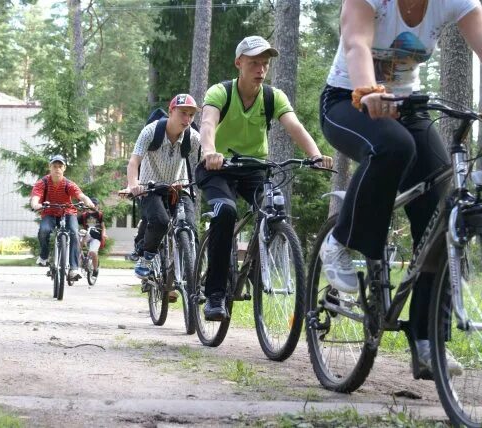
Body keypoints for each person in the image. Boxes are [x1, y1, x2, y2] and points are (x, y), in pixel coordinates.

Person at [318, 0, 482, 376]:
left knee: (436, 205)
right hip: (348, 100)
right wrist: (367, 89)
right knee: (394, 146)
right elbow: (357, 41)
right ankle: (340, 239)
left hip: (409, 106)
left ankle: (427, 342)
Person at [198, 35, 333, 321]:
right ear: (239, 64)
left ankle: (258, 270)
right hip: (217, 168)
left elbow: (294, 126)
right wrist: (209, 151)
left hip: (253, 168)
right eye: (254, 63)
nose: (261, 69)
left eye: (265, 64)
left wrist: (316, 154)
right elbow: (208, 123)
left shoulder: (273, 97)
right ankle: (215, 295)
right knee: (226, 212)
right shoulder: (220, 92)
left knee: (274, 206)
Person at [125, 94, 201, 296]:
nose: (187, 119)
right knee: (160, 220)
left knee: (191, 228)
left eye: (191, 115)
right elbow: (134, 162)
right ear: (171, 112)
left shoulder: (192, 137)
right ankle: (146, 257)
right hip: (150, 188)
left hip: (179, 187)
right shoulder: (151, 131)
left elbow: (205, 157)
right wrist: (134, 185)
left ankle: (194, 277)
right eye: (183, 113)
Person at [30, 155, 96, 280]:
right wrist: (36, 205)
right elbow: (35, 198)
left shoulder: (68, 184)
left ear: (64, 168)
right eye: (54, 166)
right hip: (49, 212)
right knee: (44, 230)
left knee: (74, 234)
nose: (57, 169)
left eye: (60, 166)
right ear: (50, 167)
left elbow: (81, 196)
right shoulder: (42, 182)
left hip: (68, 212)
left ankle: (73, 269)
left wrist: (89, 203)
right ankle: (44, 256)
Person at [78, 197, 105, 277]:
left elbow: (103, 227)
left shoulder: (99, 215)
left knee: (93, 252)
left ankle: (95, 270)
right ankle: (78, 263)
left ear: (97, 206)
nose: (93, 206)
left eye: (95, 205)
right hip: (87, 235)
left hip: (96, 236)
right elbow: (75, 223)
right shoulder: (84, 215)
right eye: (92, 205)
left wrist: (103, 234)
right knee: (77, 248)